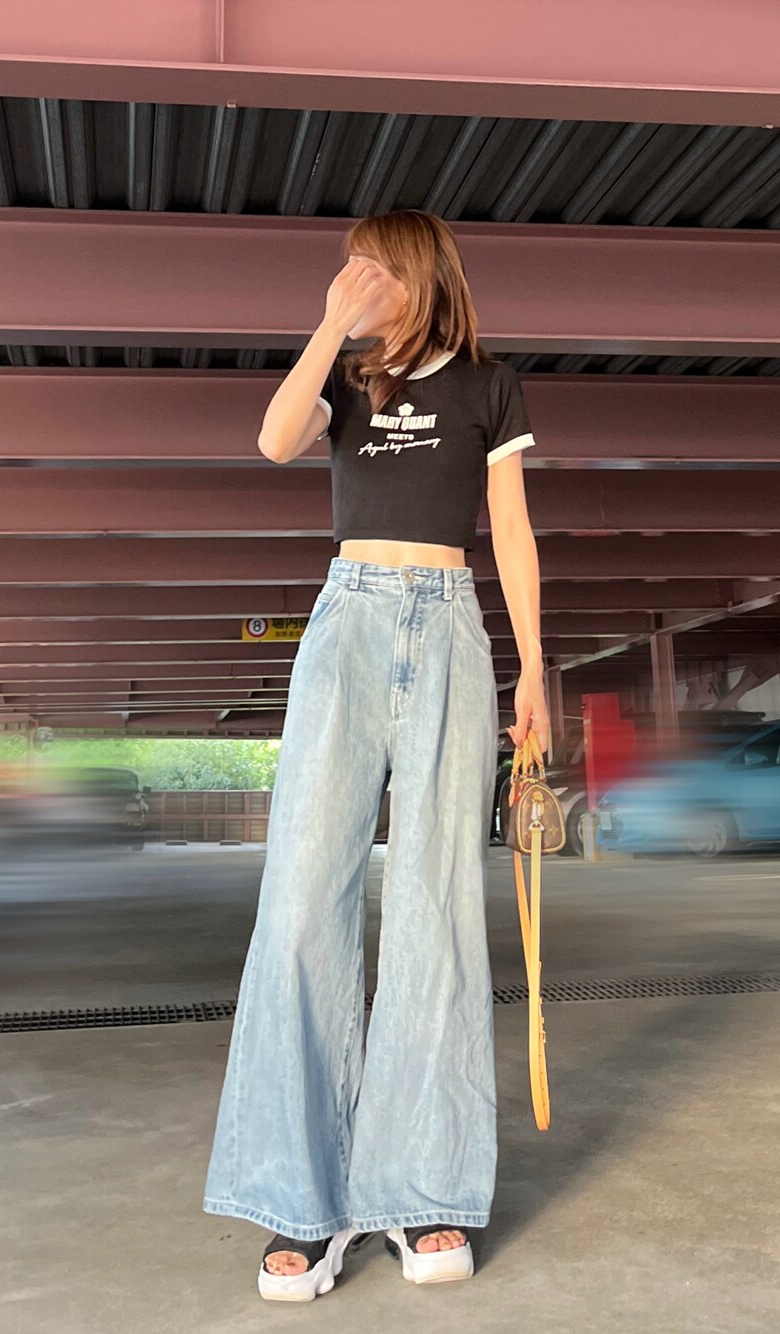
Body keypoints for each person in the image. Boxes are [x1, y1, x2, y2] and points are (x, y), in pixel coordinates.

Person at [202, 209, 549, 1301]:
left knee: (436, 903)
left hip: (447, 621)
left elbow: (510, 529)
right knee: (303, 893)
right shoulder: (347, 380)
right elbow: (272, 441)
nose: (351, 277)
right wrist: (326, 327)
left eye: (368, 266)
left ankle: (420, 1186)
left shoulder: (490, 384)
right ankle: (298, 1199)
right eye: (345, 267)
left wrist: (535, 669)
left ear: (415, 274)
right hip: (347, 619)